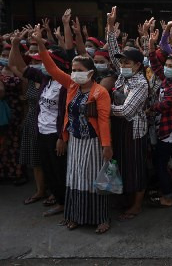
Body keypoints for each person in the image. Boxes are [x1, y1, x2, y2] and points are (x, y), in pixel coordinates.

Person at [32, 24, 112, 233]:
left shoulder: (99, 92)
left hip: (94, 143)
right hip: (75, 141)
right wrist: (41, 44)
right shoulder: (73, 86)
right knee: (75, 178)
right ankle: (76, 215)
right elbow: (51, 69)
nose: (75, 74)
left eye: (79, 71)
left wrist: (106, 146)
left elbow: (103, 120)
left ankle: (101, 218)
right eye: (73, 70)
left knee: (94, 181)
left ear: (91, 72)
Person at [106, 6, 149, 221]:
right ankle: (123, 198)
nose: (122, 65)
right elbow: (113, 52)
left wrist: (104, 109)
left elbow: (126, 110)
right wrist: (110, 26)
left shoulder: (140, 83)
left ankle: (137, 205)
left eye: (127, 62)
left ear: (138, 65)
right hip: (119, 129)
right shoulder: (124, 76)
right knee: (121, 163)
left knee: (135, 168)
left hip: (133, 130)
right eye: (122, 62)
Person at [146, 29, 172, 208]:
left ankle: (168, 196)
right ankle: (167, 189)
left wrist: (148, 109)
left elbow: (165, 104)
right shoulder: (168, 80)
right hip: (163, 127)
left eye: (171, 66)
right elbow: (155, 66)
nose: (166, 68)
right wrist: (150, 47)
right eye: (166, 65)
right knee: (162, 162)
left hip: (171, 129)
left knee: (160, 162)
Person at [8, 31, 46, 204]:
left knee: (49, 160)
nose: (36, 64)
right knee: (36, 160)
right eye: (35, 61)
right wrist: (15, 44)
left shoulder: (50, 79)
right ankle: (40, 191)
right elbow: (14, 65)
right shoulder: (31, 79)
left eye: (40, 61)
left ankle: (53, 191)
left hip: (47, 124)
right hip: (31, 121)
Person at [0, 44, 24, 183]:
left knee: (15, 142)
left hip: (16, 109)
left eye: (7, 55)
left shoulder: (19, 70)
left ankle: (17, 173)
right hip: (2, 110)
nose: (4, 58)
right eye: (3, 55)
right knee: (3, 142)